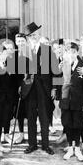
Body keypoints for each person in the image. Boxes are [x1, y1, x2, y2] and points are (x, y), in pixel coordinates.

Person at [23, 22, 56, 155]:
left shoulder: (47, 50)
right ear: (28, 38)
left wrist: (54, 88)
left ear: (39, 35)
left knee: (44, 117)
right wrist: (21, 87)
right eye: (31, 36)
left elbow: (56, 71)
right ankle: (32, 144)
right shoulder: (24, 51)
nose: (33, 37)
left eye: (35, 34)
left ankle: (45, 145)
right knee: (31, 118)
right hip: (29, 90)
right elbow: (21, 73)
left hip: (44, 89)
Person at [59, 42, 83, 161]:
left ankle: (77, 148)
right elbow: (59, 83)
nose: (71, 54)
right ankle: (70, 148)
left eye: (73, 52)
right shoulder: (64, 65)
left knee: (77, 125)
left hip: (78, 101)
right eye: (68, 52)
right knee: (67, 124)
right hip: (66, 100)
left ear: (77, 52)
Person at [0, 45, 17, 155]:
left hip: (7, 99)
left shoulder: (9, 65)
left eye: (4, 53)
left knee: (3, 121)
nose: (2, 56)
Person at [13, 33, 30, 144]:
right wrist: (18, 85)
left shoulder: (31, 55)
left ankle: (31, 134)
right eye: (18, 41)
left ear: (26, 42)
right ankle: (21, 134)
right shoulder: (12, 55)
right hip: (17, 88)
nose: (20, 43)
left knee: (30, 111)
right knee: (19, 112)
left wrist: (25, 83)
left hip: (29, 87)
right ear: (15, 42)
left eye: (22, 41)